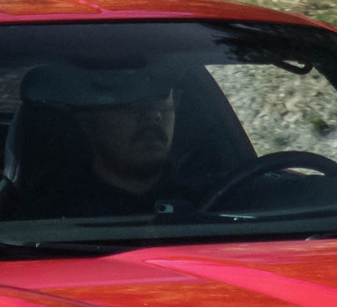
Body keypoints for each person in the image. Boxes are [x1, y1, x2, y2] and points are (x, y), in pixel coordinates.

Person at [12, 63, 199, 218]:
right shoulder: (48, 221)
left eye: (162, 99)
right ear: (87, 120)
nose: (152, 115)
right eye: (127, 102)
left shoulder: (210, 205)